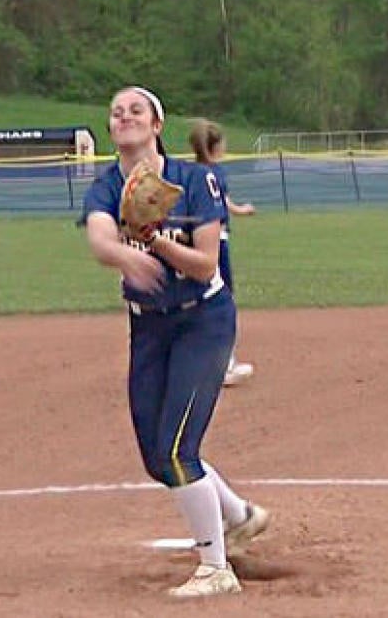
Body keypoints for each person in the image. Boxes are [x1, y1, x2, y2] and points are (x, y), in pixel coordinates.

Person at [78, 86, 270, 598]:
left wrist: (155, 239)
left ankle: (215, 569)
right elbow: (99, 237)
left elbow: (206, 264)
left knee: (179, 448)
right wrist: (123, 254)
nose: (125, 117)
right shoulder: (106, 186)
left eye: (136, 110)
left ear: (156, 125)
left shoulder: (194, 179)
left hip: (202, 321)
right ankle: (240, 516)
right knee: (156, 457)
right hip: (149, 327)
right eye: (116, 112)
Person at [188, 119, 257, 387]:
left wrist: (239, 210)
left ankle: (194, 362)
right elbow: (219, 207)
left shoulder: (191, 173)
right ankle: (223, 364)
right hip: (216, 243)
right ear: (215, 146)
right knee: (222, 302)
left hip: (194, 244)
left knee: (200, 301)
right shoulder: (216, 174)